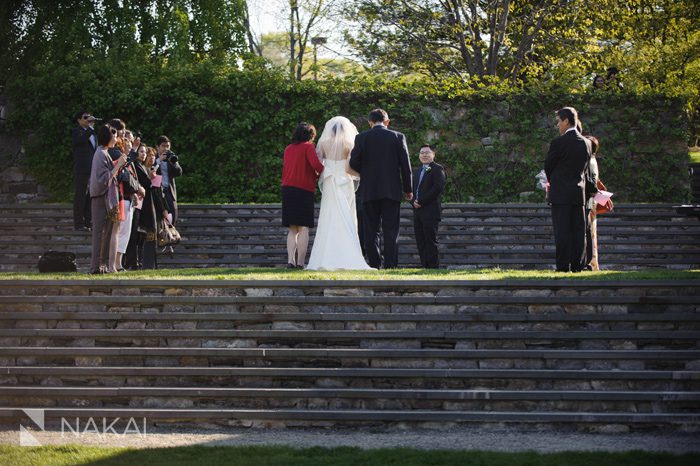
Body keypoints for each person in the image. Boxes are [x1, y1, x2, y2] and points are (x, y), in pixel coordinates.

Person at [349, 108, 412, 269]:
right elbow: (405, 165)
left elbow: (353, 162)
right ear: (387, 121)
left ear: (370, 122)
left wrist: (367, 172)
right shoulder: (398, 137)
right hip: (392, 190)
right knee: (391, 229)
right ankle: (391, 265)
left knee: (371, 230)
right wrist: (408, 189)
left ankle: (375, 264)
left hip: (369, 190)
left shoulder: (361, 138)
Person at [306, 116, 372, 270]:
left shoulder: (323, 143)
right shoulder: (349, 143)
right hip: (344, 181)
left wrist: (327, 170)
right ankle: (348, 253)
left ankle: (325, 255)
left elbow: (318, 163)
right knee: (347, 215)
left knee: (328, 216)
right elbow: (350, 167)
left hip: (329, 181)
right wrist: (359, 175)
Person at [544, 107, 592, 272]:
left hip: (560, 194)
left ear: (565, 121)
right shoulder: (587, 143)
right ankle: (577, 265)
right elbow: (585, 169)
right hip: (579, 193)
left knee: (562, 232)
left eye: (558, 121)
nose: (557, 125)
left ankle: (563, 266)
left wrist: (554, 181)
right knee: (579, 232)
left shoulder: (558, 143)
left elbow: (548, 166)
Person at [281, 122, 324, 268]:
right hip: (303, 190)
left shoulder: (288, 148)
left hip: (287, 189)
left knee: (292, 228)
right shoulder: (308, 147)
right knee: (303, 227)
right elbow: (316, 166)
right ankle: (300, 263)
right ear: (310, 136)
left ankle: (290, 261)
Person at [89, 125, 127, 274]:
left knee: (106, 233)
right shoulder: (100, 154)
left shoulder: (104, 152)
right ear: (108, 138)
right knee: (99, 233)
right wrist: (118, 165)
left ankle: (102, 265)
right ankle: (96, 266)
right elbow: (104, 179)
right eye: (115, 136)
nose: (117, 139)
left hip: (108, 198)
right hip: (101, 198)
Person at [411, 144, 446, 268]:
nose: (424, 155)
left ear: (433, 154)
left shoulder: (437, 169)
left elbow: (437, 188)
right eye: (422, 153)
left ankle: (433, 266)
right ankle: (425, 266)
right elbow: (412, 190)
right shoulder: (417, 171)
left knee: (430, 240)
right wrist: (413, 201)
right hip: (418, 212)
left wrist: (421, 201)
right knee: (420, 240)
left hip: (430, 210)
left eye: (427, 152)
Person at [71, 110, 97, 231]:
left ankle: (88, 221)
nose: (88, 119)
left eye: (89, 117)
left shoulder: (92, 134)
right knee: (80, 195)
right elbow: (79, 141)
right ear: (79, 120)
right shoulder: (77, 131)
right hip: (82, 169)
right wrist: (90, 128)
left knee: (90, 196)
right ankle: (78, 223)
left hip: (92, 169)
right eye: (85, 117)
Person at [155, 135, 183, 225]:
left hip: (169, 191)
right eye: (163, 146)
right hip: (157, 192)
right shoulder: (153, 157)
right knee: (158, 217)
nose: (166, 148)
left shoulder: (171, 157)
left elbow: (179, 172)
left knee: (173, 217)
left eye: (168, 146)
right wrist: (159, 160)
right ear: (157, 147)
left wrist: (174, 162)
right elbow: (149, 167)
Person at [585, 136, 600, 271]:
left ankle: (591, 261)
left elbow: (592, 181)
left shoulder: (589, 160)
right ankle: (593, 261)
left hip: (589, 200)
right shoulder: (593, 160)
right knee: (591, 232)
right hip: (592, 201)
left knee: (589, 232)